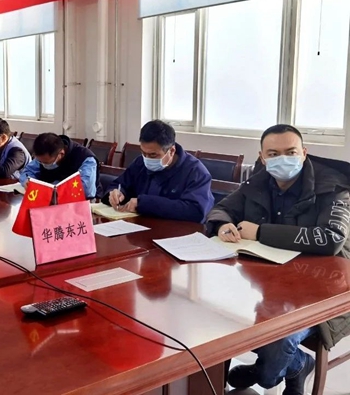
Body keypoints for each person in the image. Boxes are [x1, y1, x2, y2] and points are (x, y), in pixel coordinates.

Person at [205, 124, 350, 395]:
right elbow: (222, 208)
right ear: (262, 157)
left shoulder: (333, 185)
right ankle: (295, 366)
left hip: (323, 289)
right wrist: (223, 224)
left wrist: (261, 232)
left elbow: (331, 239)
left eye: (291, 152)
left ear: (304, 153)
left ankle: (276, 369)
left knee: (275, 345)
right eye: (273, 154)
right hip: (270, 282)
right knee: (215, 312)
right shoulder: (259, 181)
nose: (282, 159)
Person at [101, 120, 214, 223]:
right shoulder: (140, 162)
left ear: (171, 151)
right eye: (143, 153)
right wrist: (116, 193)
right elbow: (120, 184)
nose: (147, 159)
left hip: (176, 232)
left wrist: (143, 204)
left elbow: (196, 211)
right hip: (139, 226)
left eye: (153, 155)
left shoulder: (196, 172)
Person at [20, 133, 100, 199]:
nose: (42, 164)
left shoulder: (85, 158)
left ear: (61, 154)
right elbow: (28, 171)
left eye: (46, 162)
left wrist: (54, 187)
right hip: (48, 200)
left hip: (82, 204)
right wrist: (27, 181)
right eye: (40, 161)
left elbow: (86, 190)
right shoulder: (44, 154)